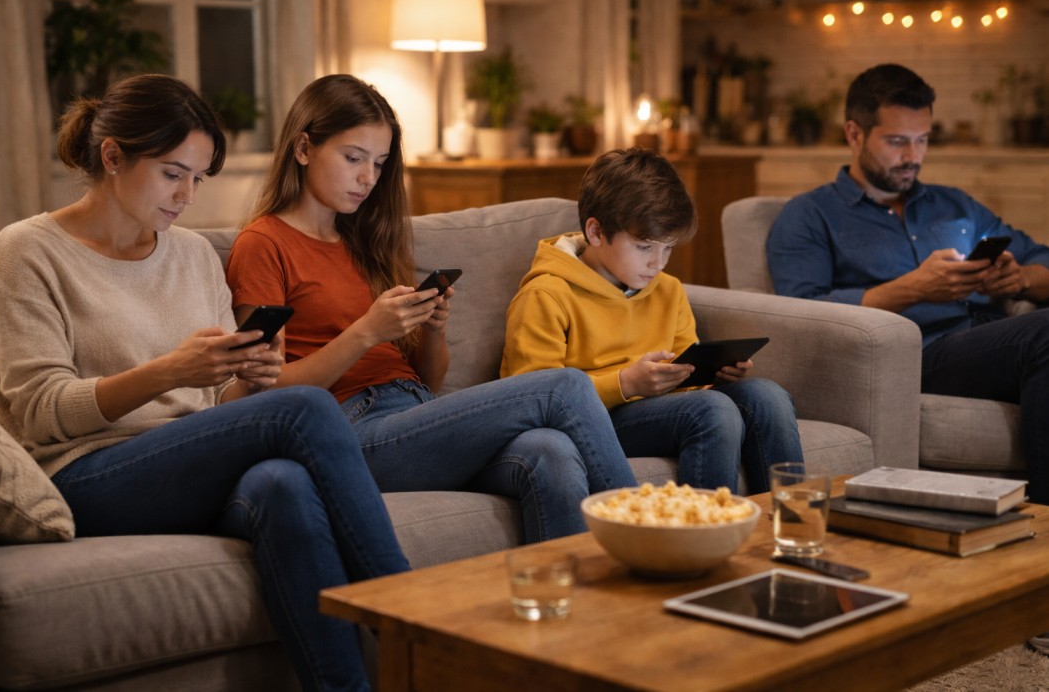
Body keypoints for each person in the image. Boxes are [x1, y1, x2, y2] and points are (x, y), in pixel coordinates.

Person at [0, 74, 409, 692]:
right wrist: (168, 371)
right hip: (85, 473)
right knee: (305, 407)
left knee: (281, 482)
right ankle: (413, 623)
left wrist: (249, 380)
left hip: (184, 462)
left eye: (199, 178)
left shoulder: (193, 255)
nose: (188, 195)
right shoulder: (28, 251)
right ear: (113, 156)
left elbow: (212, 407)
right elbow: (39, 412)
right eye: (173, 172)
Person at [224, 74, 639, 544]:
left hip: (416, 412)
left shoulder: (364, 243)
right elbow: (267, 394)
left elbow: (430, 381)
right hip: (348, 431)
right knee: (563, 387)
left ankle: (576, 610)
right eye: (353, 158)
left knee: (551, 452)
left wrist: (433, 328)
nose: (368, 178)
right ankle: (649, 539)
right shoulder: (263, 244)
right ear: (303, 148)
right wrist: (366, 331)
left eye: (379, 164)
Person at [767, 63, 1049, 504]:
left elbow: (1040, 259)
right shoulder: (809, 215)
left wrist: (1020, 279)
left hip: (995, 344)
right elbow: (801, 315)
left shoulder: (954, 204)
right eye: (897, 141)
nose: (913, 156)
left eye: (922, 140)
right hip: (915, 355)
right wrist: (915, 289)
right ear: (854, 134)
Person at [500, 148, 803, 494]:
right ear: (596, 232)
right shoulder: (546, 294)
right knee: (712, 410)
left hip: (660, 408)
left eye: (668, 248)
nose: (658, 263)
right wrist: (625, 384)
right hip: (593, 421)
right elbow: (534, 399)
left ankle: (786, 528)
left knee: (768, 396)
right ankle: (703, 539)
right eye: (645, 248)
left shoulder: (667, 290)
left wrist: (710, 373)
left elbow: (685, 375)